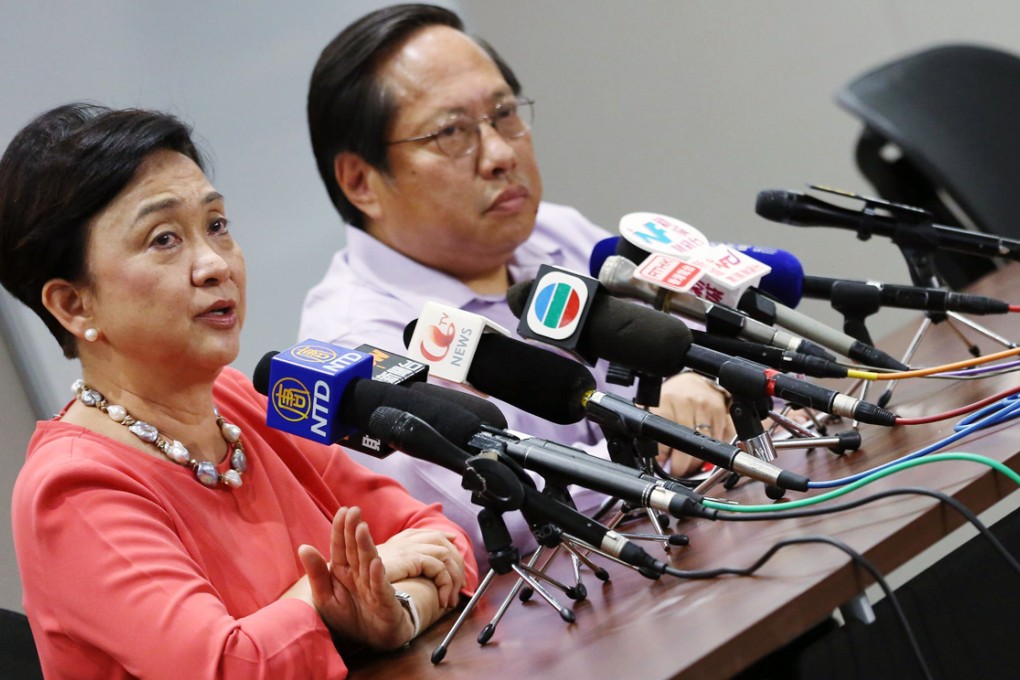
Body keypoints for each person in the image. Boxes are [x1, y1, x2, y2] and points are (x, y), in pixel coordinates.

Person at [1, 103, 478, 679]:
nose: (213, 264)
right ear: (74, 304)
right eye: (164, 239)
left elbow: (436, 536)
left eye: (217, 226)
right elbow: (224, 668)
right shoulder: (72, 489)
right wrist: (324, 598)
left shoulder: (240, 402)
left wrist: (394, 614)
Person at [299, 4, 735, 563]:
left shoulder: (555, 233)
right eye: (452, 132)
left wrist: (710, 388)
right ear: (361, 182)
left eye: (504, 114)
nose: (502, 154)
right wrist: (653, 435)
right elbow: (485, 519)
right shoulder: (353, 343)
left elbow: (696, 348)